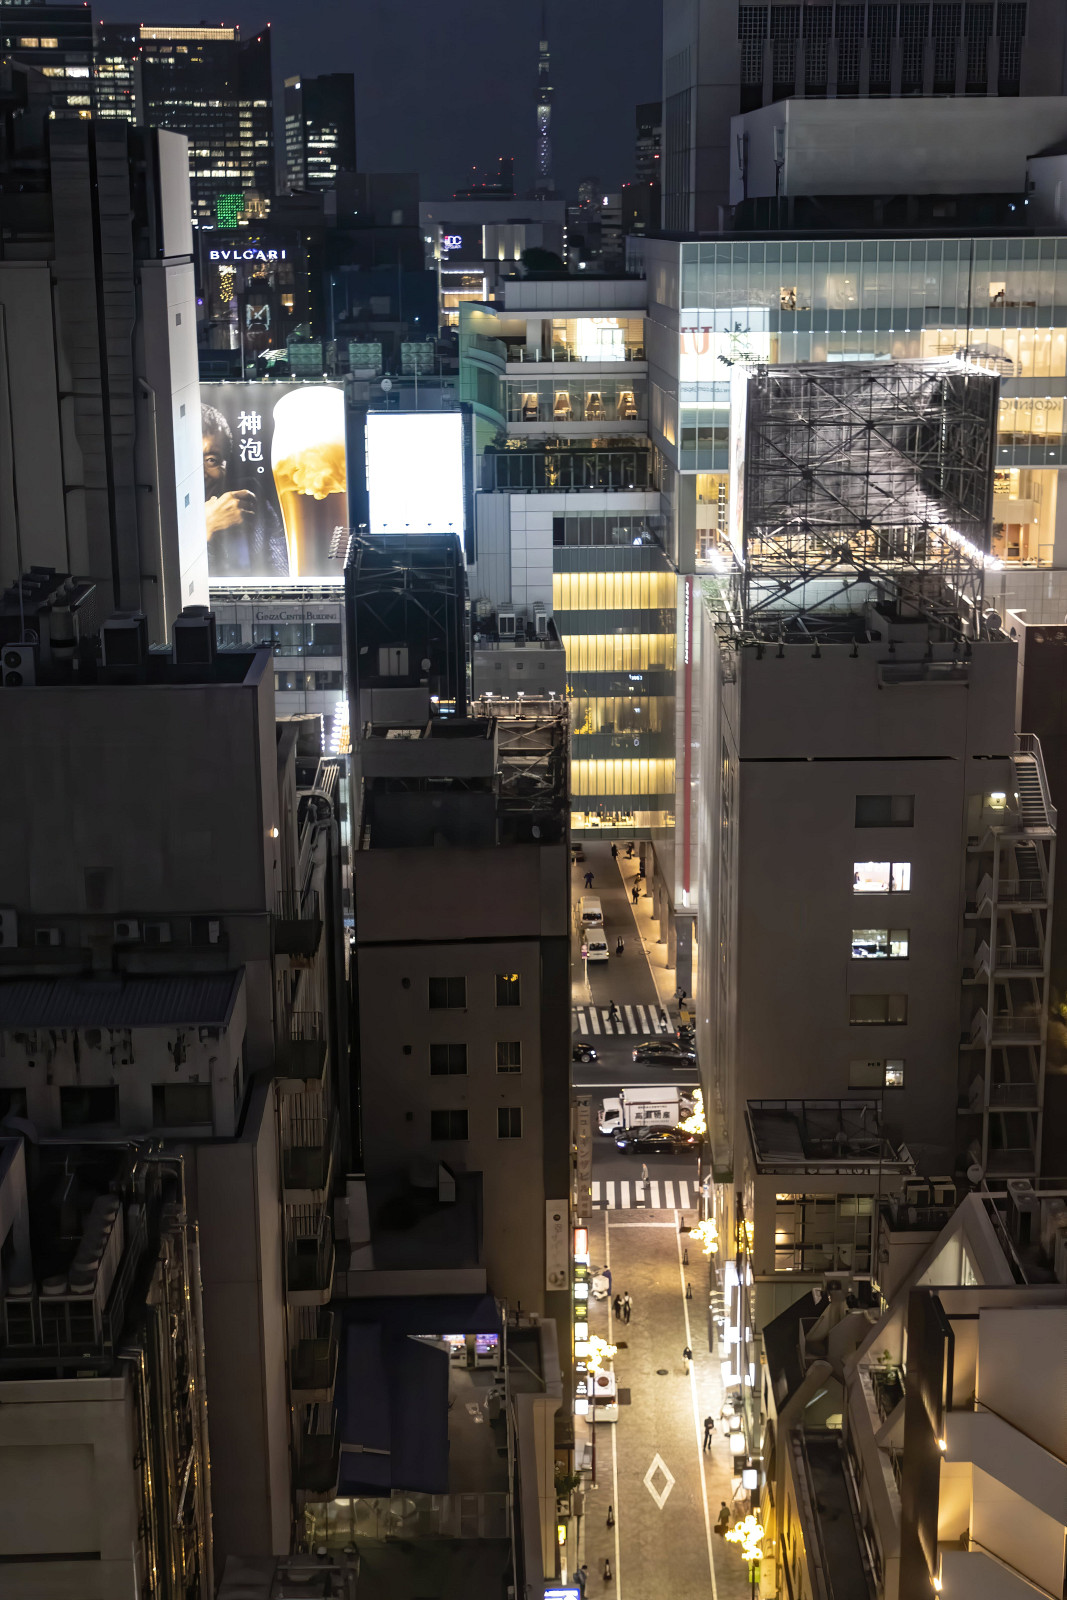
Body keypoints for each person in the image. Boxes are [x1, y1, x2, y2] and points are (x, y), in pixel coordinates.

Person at [202, 403, 289, 578]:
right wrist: (205, 528)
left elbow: (283, 572)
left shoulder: (251, 498)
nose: (199, 473)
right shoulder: (158, 515)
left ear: (226, 463)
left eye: (211, 460)